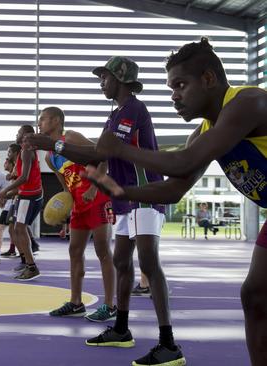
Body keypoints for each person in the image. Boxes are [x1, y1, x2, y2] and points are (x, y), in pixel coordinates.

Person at [86, 37, 267, 365]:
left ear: (209, 79)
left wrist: (120, 149)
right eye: (171, 88)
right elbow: (173, 190)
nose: (174, 96)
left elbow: (183, 162)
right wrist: (122, 191)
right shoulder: (203, 133)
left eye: (181, 85)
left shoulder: (248, 102)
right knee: (254, 296)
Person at [25, 56, 182, 365]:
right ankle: (121, 329)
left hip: (145, 195)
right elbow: (98, 158)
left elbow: (99, 152)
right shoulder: (115, 115)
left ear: (121, 80)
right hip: (125, 200)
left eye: (105, 77)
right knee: (122, 262)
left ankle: (169, 344)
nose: (101, 82)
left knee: (149, 264)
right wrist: (92, 174)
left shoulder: (133, 110)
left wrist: (52, 144)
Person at [39, 106, 117, 322]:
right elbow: (66, 187)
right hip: (78, 206)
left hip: (97, 198)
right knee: (74, 251)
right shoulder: (48, 157)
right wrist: (63, 208)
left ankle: (110, 305)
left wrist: (93, 187)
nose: (39, 123)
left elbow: (102, 157)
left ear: (56, 121)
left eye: (43, 119)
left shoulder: (71, 137)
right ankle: (75, 303)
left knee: (103, 250)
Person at [0, 125, 42, 281]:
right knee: (16, 229)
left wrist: (5, 191)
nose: (16, 134)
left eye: (18, 132)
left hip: (29, 196)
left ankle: (31, 266)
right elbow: (20, 174)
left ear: (25, 135)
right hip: (27, 196)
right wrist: (12, 175)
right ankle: (27, 261)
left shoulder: (27, 151)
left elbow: (25, 178)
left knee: (19, 229)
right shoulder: (26, 150)